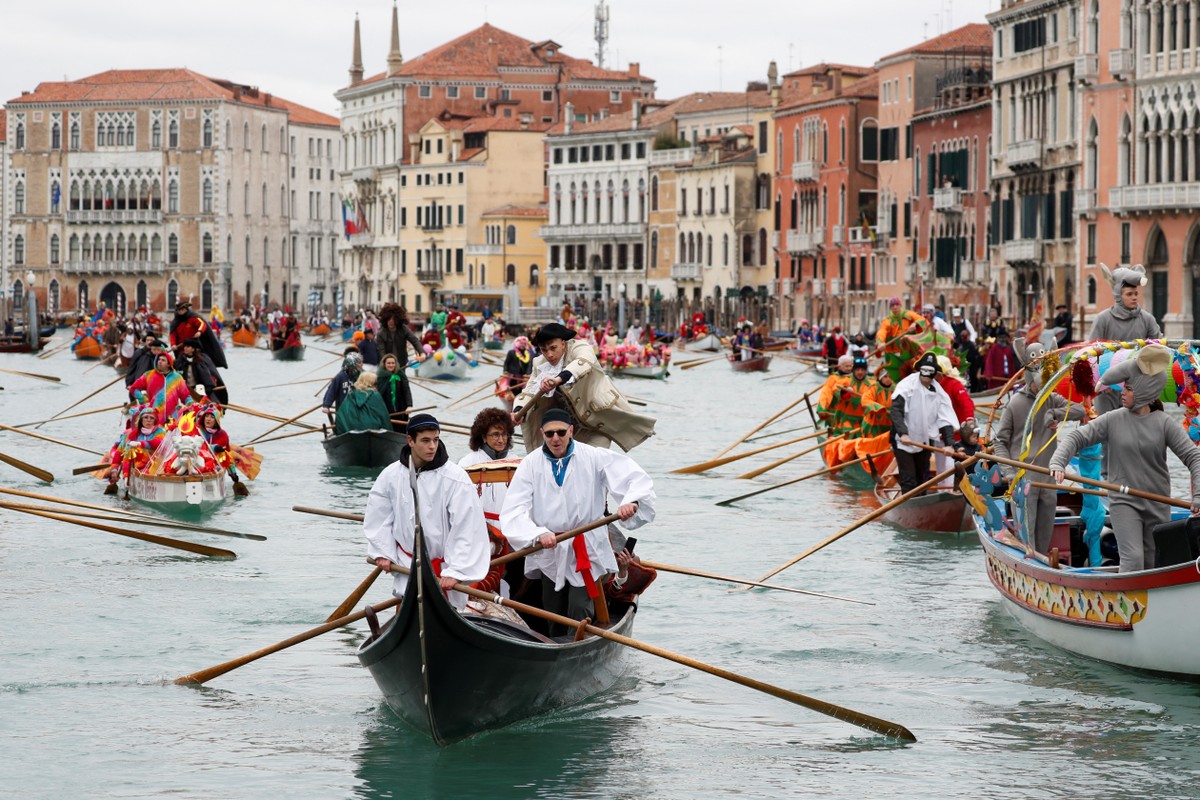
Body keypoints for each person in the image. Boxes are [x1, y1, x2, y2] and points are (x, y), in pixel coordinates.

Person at [500, 408, 656, 635]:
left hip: (587, 546)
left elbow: (633, 477)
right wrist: (536, 534)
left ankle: (578, 640)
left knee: (579, 606)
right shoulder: (530, 464)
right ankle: (555, 643)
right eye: (550, 433)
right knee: (552, 607)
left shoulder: (593, 456)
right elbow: (514, 509)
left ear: (571, 431)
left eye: (561, 432)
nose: (556, 438)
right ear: (542, 433)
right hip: (549, 546)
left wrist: (629, 502)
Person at [1051, 344, 1200, 572]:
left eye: (1128, 388)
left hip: (1158, 502)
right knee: (1133, 559)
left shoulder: (1164, 423)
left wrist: (1198, 495)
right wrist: (1058, 462)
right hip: (1124, 501)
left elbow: (1194, 458)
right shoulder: (1112, 419)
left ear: (1144, 390)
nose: (1122, 393)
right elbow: (1076, 438)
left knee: (1154, 561)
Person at [364, 414, 490, 609]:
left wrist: (455, 571)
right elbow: (379, 517)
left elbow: (468, 527)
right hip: (407, 567)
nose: (432, 446)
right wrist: (383, 552)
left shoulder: (456, 478)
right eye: (425, 440)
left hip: (444, 574)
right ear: (410, 441)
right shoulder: (390, 475)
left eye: (436, 440)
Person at [992, 343, 1087, 552]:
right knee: (1027, 540)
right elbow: (999, 441)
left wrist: (1056, 414)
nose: (1042, 385)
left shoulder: (1052, 399)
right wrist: (1009, 472)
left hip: (1048, 478)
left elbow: (1080, 411)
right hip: (1023, 478)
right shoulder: (1015, 403)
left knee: (1044, 536)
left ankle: (1043, 563)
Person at [511, 322, 655, 452]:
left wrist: (558, 380)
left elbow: (583, 362)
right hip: (567, 429)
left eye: (553, 348)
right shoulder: (539, 364)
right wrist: (518, 410)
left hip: (597, 421)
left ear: (563, 343)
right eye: (544, 350)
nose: (549, 354)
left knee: (596, 460)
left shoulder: (580, 347)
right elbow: (529, 392)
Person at [889, 352, 958, 493]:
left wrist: (949, 444)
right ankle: (908, 508)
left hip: (924, 441)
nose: (926, 376)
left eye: (930, 372)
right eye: (924, 371)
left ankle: (923, 506)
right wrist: (903, 434)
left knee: (922, 481)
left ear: (935, 373)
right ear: (919, 370)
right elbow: (896, 411)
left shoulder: (939, 392)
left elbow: (945, 419)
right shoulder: (906, 386)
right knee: (909, 480)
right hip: (903, 442)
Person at [128, 352, 192, 421]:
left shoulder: (177, 378)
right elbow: (133, 388)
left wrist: (190, 404)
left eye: (163, 360)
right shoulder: (149, 375)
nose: (160, 362)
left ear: (168, 364)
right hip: (154, 417)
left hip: (173, 418)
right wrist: (143, 399)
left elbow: (185, 396)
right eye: (159, 359)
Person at [169, 300, 227, 369]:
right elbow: (172, 335)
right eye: (179, 310)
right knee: (179, 366)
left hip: (194, 348)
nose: (181, 312)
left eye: (182, 310)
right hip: (182, 349)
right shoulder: (175, 322)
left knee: (201, 365)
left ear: (186, 310)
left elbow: (202, 324)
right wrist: (173, 344)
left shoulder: (193, 318)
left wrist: (199, 331)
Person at [175, 338, 228, 405]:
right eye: (185, 346)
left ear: (193, 349)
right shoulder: (180, 360)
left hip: (198, 390)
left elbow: (206, 376)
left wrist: (207, 389)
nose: (185, 348)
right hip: (184, 390)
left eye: (188, 347)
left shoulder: (201, 361)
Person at [322, 352, 364, 422]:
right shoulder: (340, 376)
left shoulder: (362, 375)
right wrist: (326, 406)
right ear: (351, 364)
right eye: (359, 363)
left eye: (362, 362)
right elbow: (331, 391)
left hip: (357, 409)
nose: (362, 365)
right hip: (343, 409)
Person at [376, 353, 412, 429]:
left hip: (401, 410)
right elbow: (377, 394)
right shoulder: (379, 377)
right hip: (386, 411)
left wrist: (409, 405)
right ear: (384, 364)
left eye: (393, 363)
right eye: (388, 363)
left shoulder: (401, 375)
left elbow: (406, 390)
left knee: (401, 428)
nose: (391, 365)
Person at [499, 336, 534, 411]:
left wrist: (527, 373)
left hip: (523, 377)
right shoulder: (511, 352)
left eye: (524, 344)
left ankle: (520, 404)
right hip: (513, 376)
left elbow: (529, 365)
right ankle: (512, 402)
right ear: (517, 344)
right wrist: (505, 371)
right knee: (513, 388)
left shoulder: (528, 353)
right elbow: (506, 363)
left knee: (521, 390)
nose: (523, 345)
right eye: (521, 343)